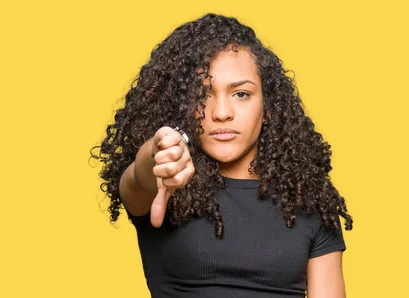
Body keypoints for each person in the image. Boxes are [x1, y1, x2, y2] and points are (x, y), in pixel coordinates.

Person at [90, 13, 353, 297]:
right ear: (181, 106)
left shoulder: (310, 199)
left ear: (269, 106)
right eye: (203, 95)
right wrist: (158, 152)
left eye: (241, 94)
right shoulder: (166, 185)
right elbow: (138, 179)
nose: (222, 113)